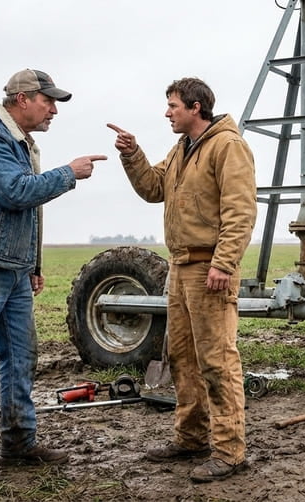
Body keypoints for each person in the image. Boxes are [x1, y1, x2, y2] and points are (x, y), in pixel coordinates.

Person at [0, 68, 107, 492]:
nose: (53, 110)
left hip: (10, 269)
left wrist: (31, 264)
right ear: (23, 98)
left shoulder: (19, 141)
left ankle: (18, 443)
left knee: (22, 356)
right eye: (49, 101)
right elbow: (15, 192)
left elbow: (25, 211)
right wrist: (69, 173)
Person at [107, 77, 257, 483]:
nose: (167, 111)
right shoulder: (181, 150)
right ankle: (191, 437)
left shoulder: (228, 146)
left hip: (211, 267)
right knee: (183, 358)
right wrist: (132, 154)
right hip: (181, 266)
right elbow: (153, 188)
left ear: (195, 107)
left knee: (217, 360)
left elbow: (240, 211)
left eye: (172, 105)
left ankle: (229, 451)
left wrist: (224, 264)